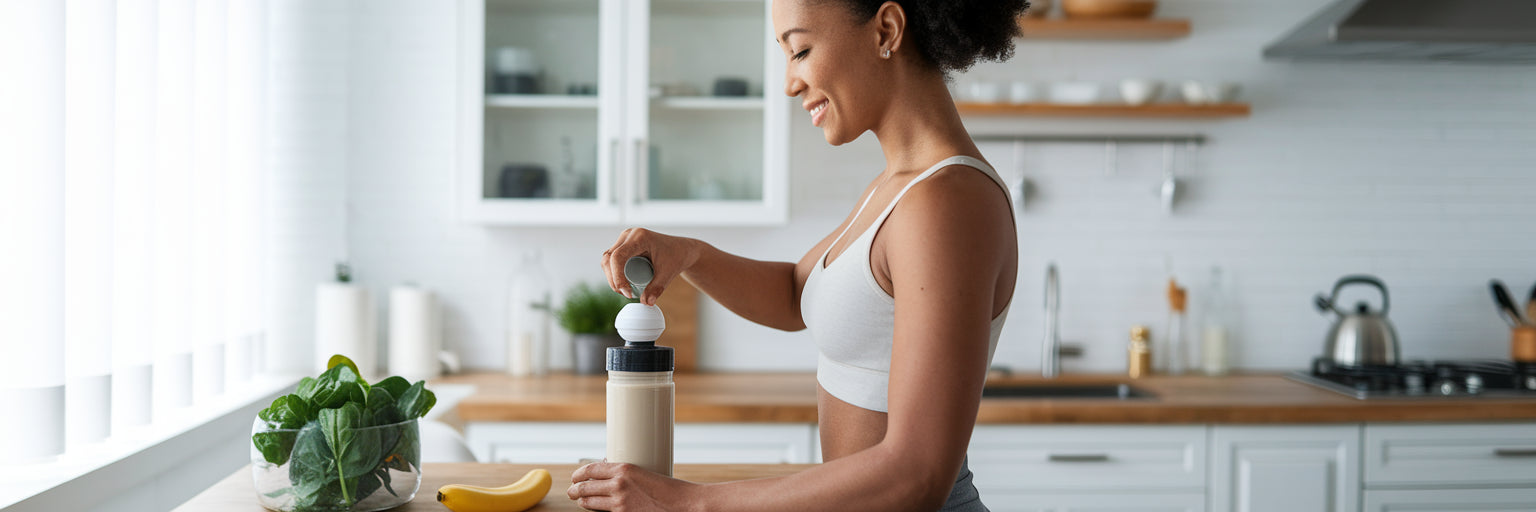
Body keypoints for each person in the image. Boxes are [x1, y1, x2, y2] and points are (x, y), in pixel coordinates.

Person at [570, 0, 1028, 510]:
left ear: (886, 30)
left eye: (801, 50)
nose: (790, 82)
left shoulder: (947, 200)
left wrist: (689, 503)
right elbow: (796, 295)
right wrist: (690, 255)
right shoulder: (899, 188)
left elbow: (917, 474)